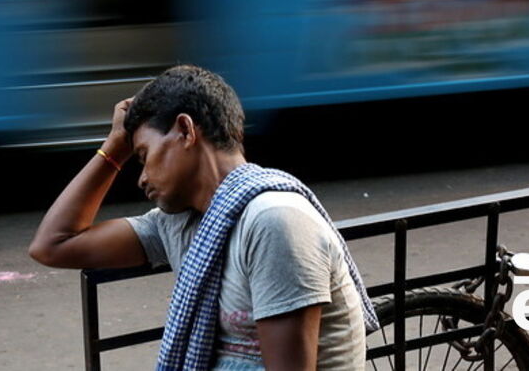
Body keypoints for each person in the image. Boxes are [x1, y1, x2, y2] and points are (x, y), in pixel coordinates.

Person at [29, 65, 377, 370]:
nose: (141, 178)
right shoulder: (180, 224)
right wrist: (116, 145)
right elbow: (54, 245)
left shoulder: (274, 222)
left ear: (185, 131)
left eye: (143, 155)